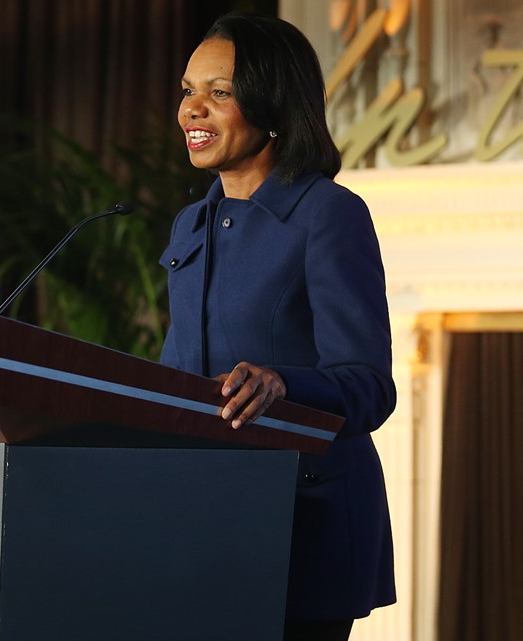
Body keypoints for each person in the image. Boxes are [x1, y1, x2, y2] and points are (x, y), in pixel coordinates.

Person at [159, 13, 398, 641]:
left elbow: (369, 387)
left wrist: (282, 384)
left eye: (220, 93)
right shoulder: (191, 225)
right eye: (187, 91)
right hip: (200, 521)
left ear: (273, 102)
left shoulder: (330, 216)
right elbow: (176, 374)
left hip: (302, 523)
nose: (192, 111)